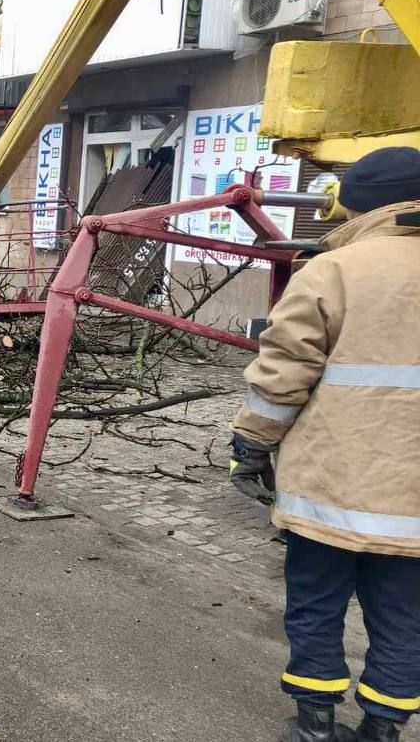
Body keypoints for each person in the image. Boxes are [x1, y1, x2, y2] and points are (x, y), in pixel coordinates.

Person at [230, 146, 420, 742]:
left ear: (358, 204)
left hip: (330, 486)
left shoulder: (335, 270)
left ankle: (314, 726)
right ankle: (384, 729)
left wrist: (251, 444)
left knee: (316, 603)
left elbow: (285, 371)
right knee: (406, 618)